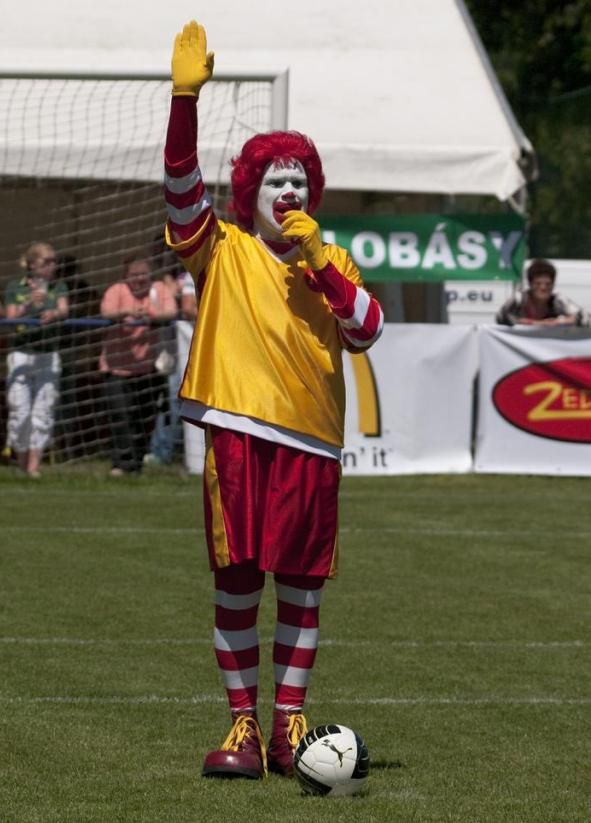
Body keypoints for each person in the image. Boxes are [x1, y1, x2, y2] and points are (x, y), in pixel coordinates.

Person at [164, 21, 384, 779]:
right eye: (273, 181)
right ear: (249, 194)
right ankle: (241, 727)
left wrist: (322, 257)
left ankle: (288, 720)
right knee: (236, 580)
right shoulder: (219, 248)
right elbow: (180, 189)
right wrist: (184, 101)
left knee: (299, 584)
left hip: (311, 443)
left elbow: (366, 330)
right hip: (235, 435)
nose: (286, 191)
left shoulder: (334, 259)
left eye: (297, 180)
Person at [99, 248, 177, 475]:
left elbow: (171, 311)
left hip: (148, 368)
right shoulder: (117, 290)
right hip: (116, 368)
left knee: (145, 417)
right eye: (134, 274)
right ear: (126, 275)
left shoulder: (159, 289)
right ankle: (120, 464)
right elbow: (106, 312)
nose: (140, 278)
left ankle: (136, 464)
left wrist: (149, 315)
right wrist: (127, 311)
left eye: (143, 273)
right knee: (121, 416)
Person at [4, 241, 69, 477]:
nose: (52, 266)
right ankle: (21, 462)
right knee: (20, 411)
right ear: (32, 265)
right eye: (46, 262)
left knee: (43, 410)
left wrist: (53, 312)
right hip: (22, 353)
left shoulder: (58, 286)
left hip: (48, 353)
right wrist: (30, 302)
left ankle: (34, 466)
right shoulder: (15, 286)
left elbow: (64, 309)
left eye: (54, 261)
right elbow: (10, 317)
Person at [144, 236, 197, 466]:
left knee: (179, 397)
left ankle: (172, 449)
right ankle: (161, 449)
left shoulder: (189, 275)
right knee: (169, 398)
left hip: (186, 346)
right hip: (169, 348)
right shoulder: (162, 282)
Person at [496, 259, 588, 327]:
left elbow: (584, 317)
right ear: (530, 284)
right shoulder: (520, 298)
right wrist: (540, 324)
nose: (543, 288)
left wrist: (559, 321)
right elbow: (502, 317)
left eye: (548, 284)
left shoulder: (558, 301)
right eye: (538, 284)